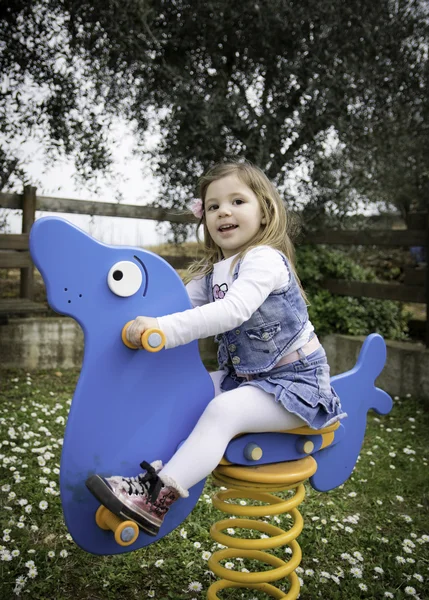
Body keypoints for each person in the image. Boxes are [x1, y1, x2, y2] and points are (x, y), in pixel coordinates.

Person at [86, 160, 346, 536]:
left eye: (237, 201)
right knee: (184, 392)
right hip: (247, 381)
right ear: (205, 218)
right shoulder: (213, 272)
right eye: (213, 206)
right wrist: (126, 317)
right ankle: (147, 470)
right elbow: (173, 307)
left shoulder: (265, 259)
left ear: (264, 211)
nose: (224, 210)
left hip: (297, 386)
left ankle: (156, 498)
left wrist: (162, 330)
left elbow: (231, 312)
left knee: (223, 411)